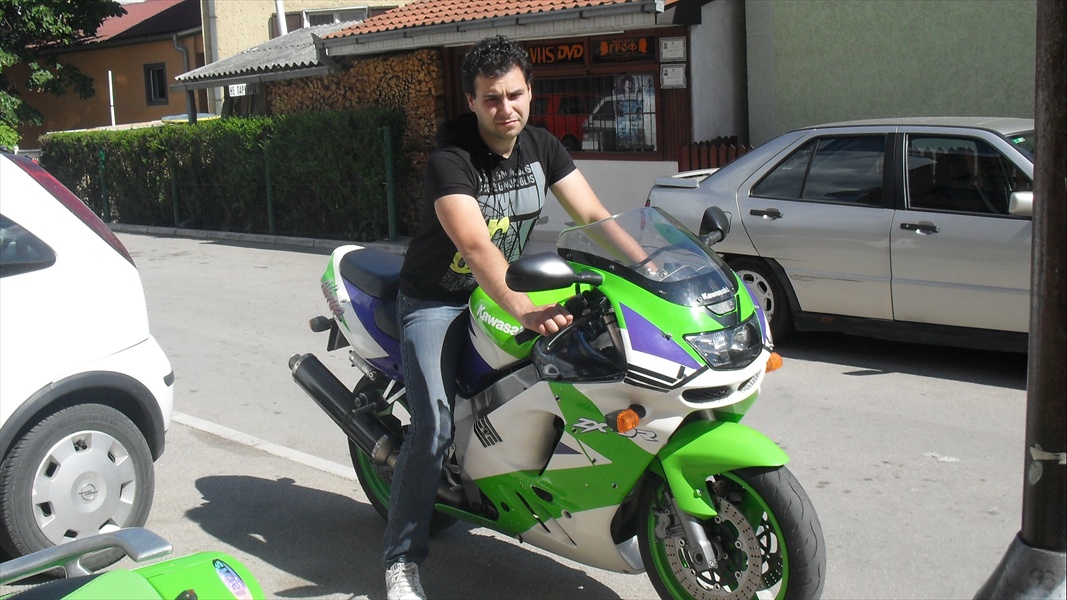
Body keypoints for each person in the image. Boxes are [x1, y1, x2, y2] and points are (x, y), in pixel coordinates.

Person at [382, 35, 613, 600]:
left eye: (513, 94)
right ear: (472, 100)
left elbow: (593, 215)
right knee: (433, 427)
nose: (504, 108)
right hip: (438, 299)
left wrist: (648, 267)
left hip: (503, 294)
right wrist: (525, 308)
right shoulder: (451, 159)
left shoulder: (542, 147)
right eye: (490, 98)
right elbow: (477, 246)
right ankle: (401, 561)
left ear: (530, 91)